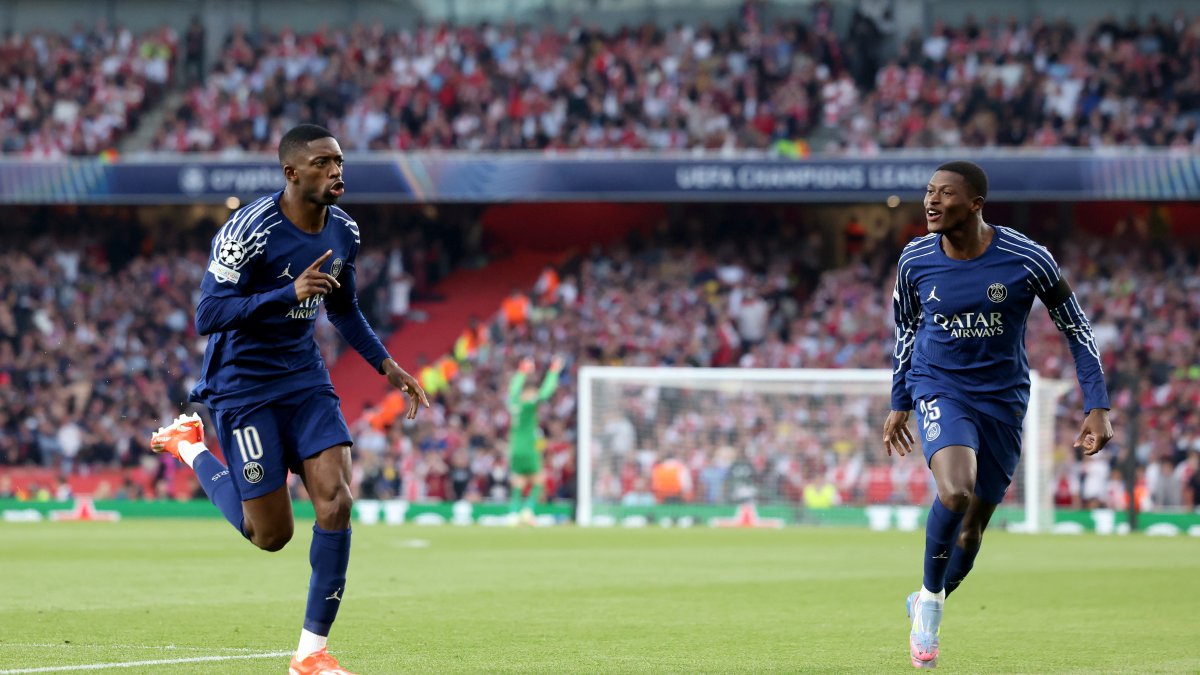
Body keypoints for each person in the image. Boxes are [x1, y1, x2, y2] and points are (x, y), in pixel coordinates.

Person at [150, 124, 429, 675]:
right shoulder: (248, 231)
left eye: (339, 161)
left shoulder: (344, 231)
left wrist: (387, 365)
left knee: (337, 501)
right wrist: (286, 293)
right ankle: (190, 447)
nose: (336, 171)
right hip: (243, 386)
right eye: (323, 163)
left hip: (303, 379)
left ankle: (310, 654)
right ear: (292, 173)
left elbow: (343, 308)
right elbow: (208, 314)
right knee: (271, 535)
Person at [882, 161, 1113, 669]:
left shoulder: (1028, 258)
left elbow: (1077, 329)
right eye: (929, 192)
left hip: (1003, 400)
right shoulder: (914, 258)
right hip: (938, 384)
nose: (931, 201)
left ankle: (926, 597)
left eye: (945, 193)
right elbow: (905, 330)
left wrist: (1097, 404)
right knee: (955, 491)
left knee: (972, 531)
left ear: (976, 205)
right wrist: (900, 399)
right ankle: (930, 609)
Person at [506, 355, 563, 524]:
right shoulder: (529, 405)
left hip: (515, 449)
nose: (534, 394)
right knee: (539, 479)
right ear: (527, 394)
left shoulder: (514, 402)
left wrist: (522, 371)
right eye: (532, 392)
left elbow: (513, 388)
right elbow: (546, 392)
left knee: (519, 480)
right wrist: (553, 371)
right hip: (528, 448)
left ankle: (513, 513)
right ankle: (528, 510)